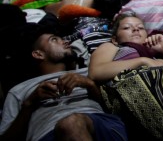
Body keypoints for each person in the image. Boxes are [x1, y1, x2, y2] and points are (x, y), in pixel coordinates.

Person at [0, 24, 128, 141]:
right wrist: (29, 104)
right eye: (54, 39)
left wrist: (90, 84)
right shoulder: (20, 90)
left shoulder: (90, 71)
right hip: (45, 135)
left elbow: (117, 108)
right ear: (38, 54)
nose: (66, 41)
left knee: (70, 123)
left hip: (101, 125)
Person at [88, 12, 163, 83]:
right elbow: (95, 72)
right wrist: (142, 61)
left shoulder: (157, 57)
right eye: (127, 28)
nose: (136, 30)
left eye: (140, 28)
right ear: (115, 39)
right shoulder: (112, 46)